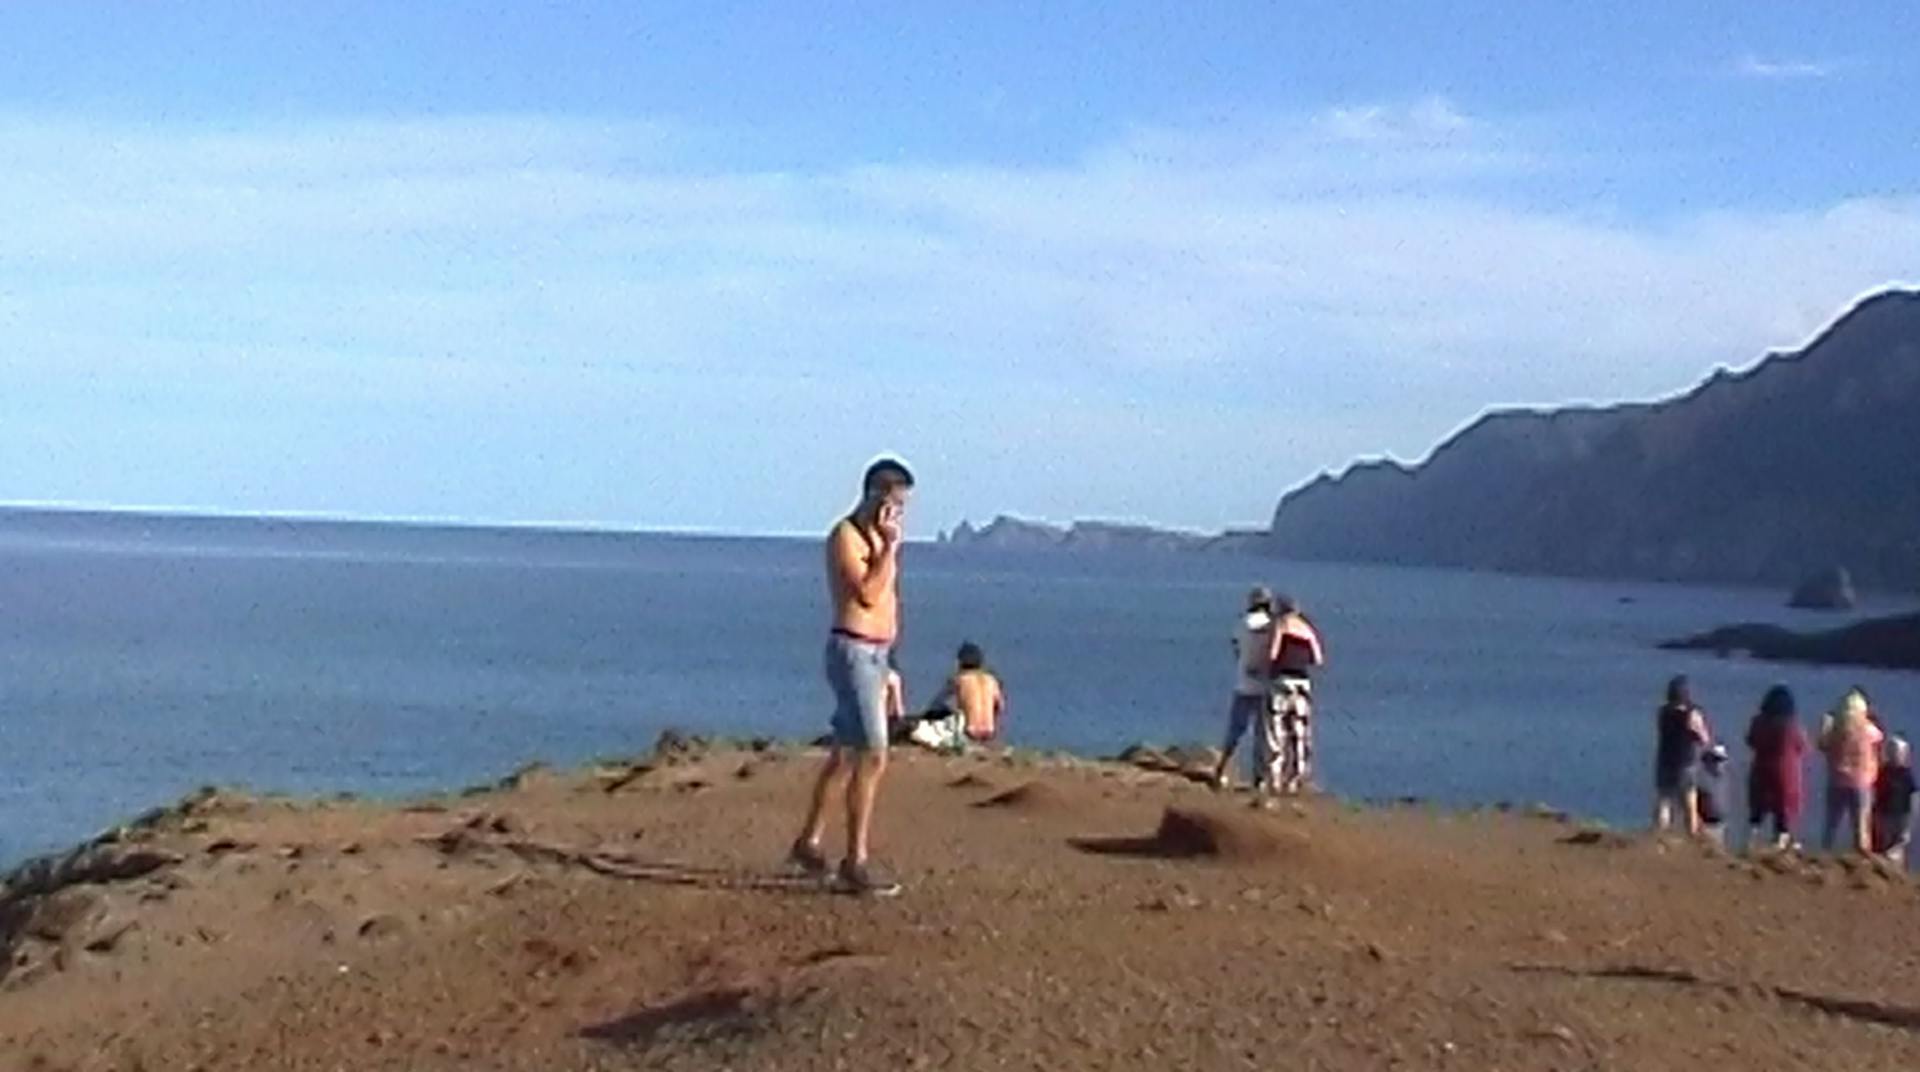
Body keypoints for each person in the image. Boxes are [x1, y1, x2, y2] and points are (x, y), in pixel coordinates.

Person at [788, 458, 913, 897]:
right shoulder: (847, 537)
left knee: (844, 753)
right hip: (853, 650)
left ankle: (809, 841)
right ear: (875, 496)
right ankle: (855, 860)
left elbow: (887, 602)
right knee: (873, 752)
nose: (899, 514)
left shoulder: (879, 540)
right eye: (895, 503)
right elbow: (866, 592)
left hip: (876, 654)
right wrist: (889, 549)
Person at [1211, 586, 1277, 790]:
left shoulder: (1242, 624)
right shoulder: (1274, 626)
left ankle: (1221, 772)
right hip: (1266, 687)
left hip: (1243, 685)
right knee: (1264, 735)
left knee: (1235, 731)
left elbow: (1237, 649)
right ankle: (1260, 779)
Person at [1263, 594, 1325, 797]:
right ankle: (1297, 778)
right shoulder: (1308, 629)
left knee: (1277, 730)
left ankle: (1275, 779)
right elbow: (1318, 659)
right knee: (1299, 732)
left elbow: (1272, 653)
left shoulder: (1281, 624)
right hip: (1303, 683)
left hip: (1282, 681)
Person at [1817, 688, 1883, 854]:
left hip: (1837, 779)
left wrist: (1825, 725)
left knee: (1831, 823)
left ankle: (1825, 853)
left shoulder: (1836, 730)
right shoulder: (1867, 729)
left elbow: (1823, 745)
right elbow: (1880, 737)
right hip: (1861, 782)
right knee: (1861, 825)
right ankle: (1861, 856)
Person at [1744, 684, 1807, 852]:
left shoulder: (1758, 722)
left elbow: (1750, 741)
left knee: (1757, 810)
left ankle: (1749, 842)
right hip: (1785, 772)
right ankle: (1779, 845)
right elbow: (1803, 747)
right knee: (1783, 810)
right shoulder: (1791, 726)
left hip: (1760, 768)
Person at [1652, 676, 1711, 836]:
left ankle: (1659, 835)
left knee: (1664, 800)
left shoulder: (1663, 712)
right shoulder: (1692, 714)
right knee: (1689, 804)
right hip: (1685, 763)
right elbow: (1704, 738)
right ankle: (1691, 836)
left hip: (1665, 760)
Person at [922, 641, 1006, 750]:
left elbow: (937, 702)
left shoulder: (959, 679)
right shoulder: (992, 681)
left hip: (969, 732)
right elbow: (1001, 706)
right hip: (989, 732)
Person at [1872, 736, 1915, 866]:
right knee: (1883, 846)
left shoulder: (1906, 775)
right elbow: (1875, 792)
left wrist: (1908, 825)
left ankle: (1898, 876)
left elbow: (1912, 798)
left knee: (1898, 848)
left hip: (1901, 815)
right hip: (1884, 815)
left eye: (1901, 753)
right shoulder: (1883, 772)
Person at [1696, 744, 1731, 847]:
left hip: (1721, 826)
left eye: (1721, 760)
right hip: (1705, 826)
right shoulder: (1700, 780)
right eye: (1715, 760)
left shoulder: (1725, 780)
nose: (1718, 764)